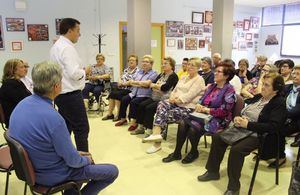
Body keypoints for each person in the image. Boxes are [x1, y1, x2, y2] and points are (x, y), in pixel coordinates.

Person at [9, 61, 118, 195]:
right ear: (57, 86)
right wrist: (86, 159)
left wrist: (77, 155)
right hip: (51, 175)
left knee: (80, 158)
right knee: (111, 171)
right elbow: (73, 162)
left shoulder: (22, 104)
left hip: (30, 169)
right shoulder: (54, 118)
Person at [197, 73, 286, 195]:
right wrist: (238, 118)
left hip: (260, 134)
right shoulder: (259, 97)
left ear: (276, 89)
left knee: (236, 150)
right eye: (263, 84)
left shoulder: (279, 103)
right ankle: (212, 172)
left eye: (267, 85)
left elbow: (273, 127)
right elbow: (244, 109)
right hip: (243, 128)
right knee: (218, 137)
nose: (263, 87)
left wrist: (248, 125)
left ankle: (233, 188)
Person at [162, 62, 236, 164]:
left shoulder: (229, 90)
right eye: (216, 71)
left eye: (219, 72)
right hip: (202, 115)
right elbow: (201, 99)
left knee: (193, 129)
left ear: (226, 76)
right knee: (183, 123)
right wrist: (199, 105)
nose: (215, 73)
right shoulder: (212, 87)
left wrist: (207, 110)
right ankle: (177, 152)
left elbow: (224, 111)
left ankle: (193, 151)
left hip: (218, 120)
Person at [142, 57, 206, 154]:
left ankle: (156, 143)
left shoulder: (199, 80)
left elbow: (188, 96)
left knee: (161, 115)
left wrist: (176, 100)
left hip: (189, 108)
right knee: (162, 103)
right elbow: (174, 90)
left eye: (193, 65)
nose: (189, 67)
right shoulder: (184, 77)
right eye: (188, 64)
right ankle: (156, 136)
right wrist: (172, 97)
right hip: (176, 103)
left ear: (198, 68)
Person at [50, 18, 91, 152]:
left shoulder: (56, 46)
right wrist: (85, 71)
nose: (79, 34)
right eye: (78, 31)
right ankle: (85, 162)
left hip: (61, 94)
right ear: (70, 30)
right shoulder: (67, 47)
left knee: (67, 127)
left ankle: (64, 156)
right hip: (71, 94)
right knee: (82, 128)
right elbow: (74, 73)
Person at [130, 57, 178, 135]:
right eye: (162, 63)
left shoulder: (173, 76)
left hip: (164, 100)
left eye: (165, 64)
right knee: (141, 105)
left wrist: (156, 86)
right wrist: (157, 86)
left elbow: (165, 88)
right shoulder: (161, 74)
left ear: (171, 66)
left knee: (149, 108)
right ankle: (140, 127)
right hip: (155, 97)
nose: (163, 65)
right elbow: (151, 85)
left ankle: (149, 130)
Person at [114, 55, 158, 126]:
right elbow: (131, 81)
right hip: (133, 93)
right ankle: (123, 119)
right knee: (124, 99)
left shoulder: (154, 73)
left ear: (151, 64)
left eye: (146, 62)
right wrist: (140, 84)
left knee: (134, 102)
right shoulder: (140, 71)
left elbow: (147, 84)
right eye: (143, 61)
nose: (144, 63)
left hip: (144, 94)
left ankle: (134, 123)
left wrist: (137, 83)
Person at [102, 55, 139, 121]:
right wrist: (119, 81)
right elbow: (120, 77)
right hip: (122, 88)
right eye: (130, 60)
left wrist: (123, 83)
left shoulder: (138, 71)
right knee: (112, 94)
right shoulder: (126, 70)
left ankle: (119, 115)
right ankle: (110, 114)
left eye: (133, 60)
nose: (131, 61)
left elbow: (133, 82)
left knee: (117, 95)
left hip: (131, 90)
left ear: (136, 62)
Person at [0, 59, 31, 127]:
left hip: (19, 117)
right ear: (13, 70)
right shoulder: (11, 84)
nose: (25, 69)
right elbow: (26, 101)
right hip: (16, 121)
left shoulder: (16, 82)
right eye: (22, 67)